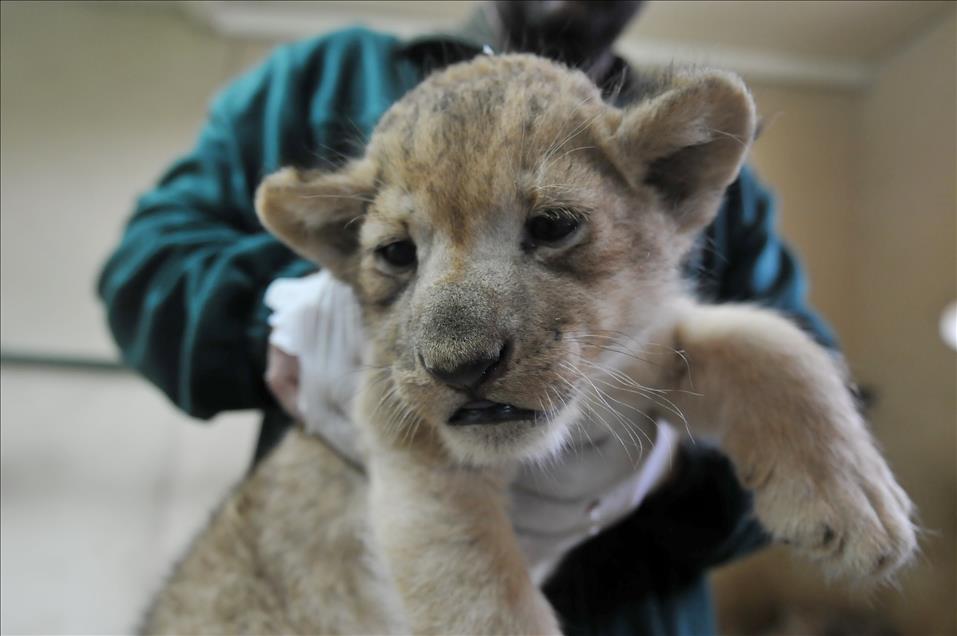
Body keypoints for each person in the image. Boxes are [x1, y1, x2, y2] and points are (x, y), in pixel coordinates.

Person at [97, 2, 838, 634]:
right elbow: (142, 273)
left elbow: (806, 463)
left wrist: (667, 462)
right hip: (316, 579)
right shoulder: (314, 79)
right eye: (397, 246)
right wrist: (296, 317)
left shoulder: (686, 162)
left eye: (553, 224)